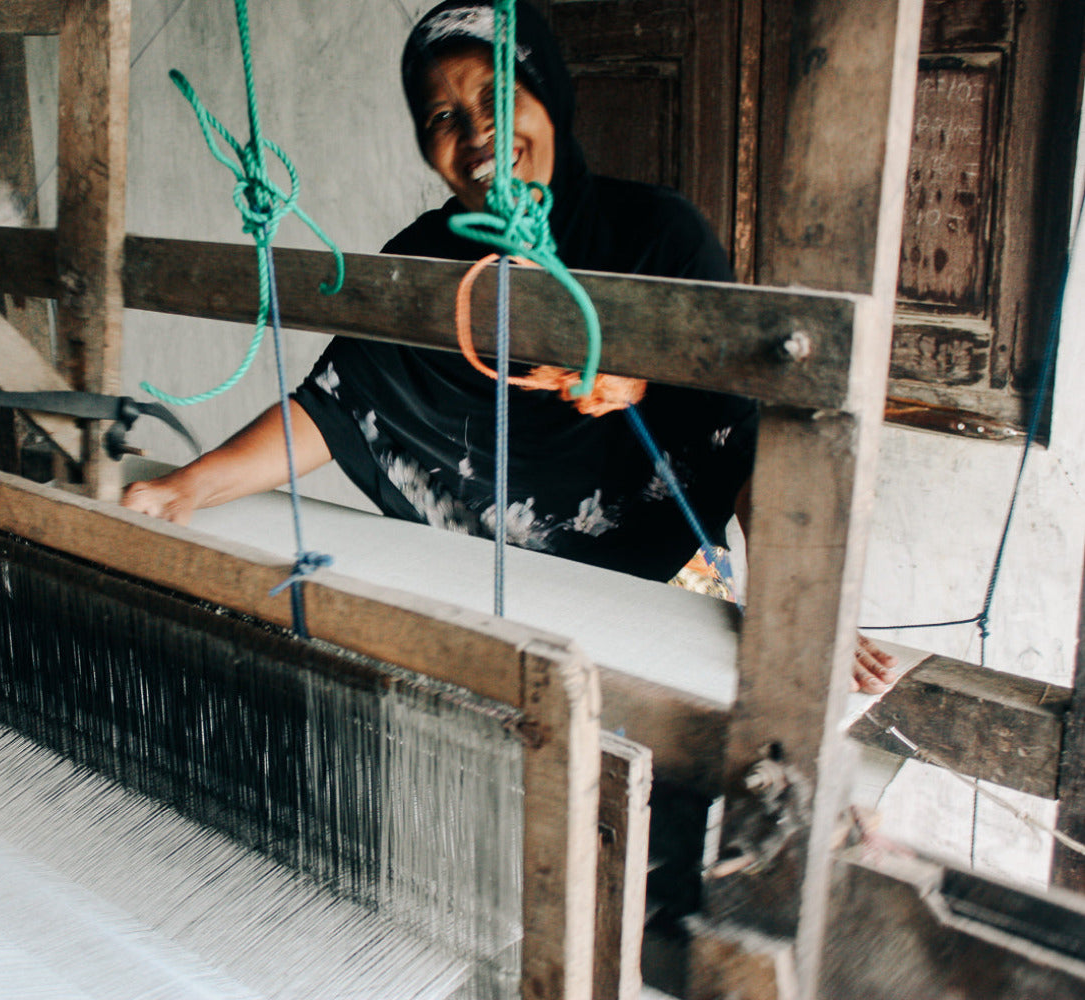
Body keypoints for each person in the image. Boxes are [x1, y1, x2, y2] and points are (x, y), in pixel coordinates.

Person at [123, 0, 896, 693]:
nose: (475, 134)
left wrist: (797, 608)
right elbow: (334, 408)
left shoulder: (657, 236)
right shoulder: (426, 262)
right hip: (480, 593)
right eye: (442, 116)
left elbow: (744, 443)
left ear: (548, 97)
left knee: (650, 787)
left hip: (655, 592)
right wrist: (189, 487)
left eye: (498, 97)